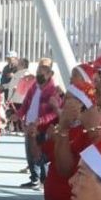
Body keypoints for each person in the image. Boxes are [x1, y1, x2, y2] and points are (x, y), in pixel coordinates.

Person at [43, 65, 98, 200]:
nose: (64, 104)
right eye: (65, 99)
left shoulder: (87, 130)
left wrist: (63, 131)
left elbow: (66, 169)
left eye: (69, 100)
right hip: (53, 196)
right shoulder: (64, 125)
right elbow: (41, 157)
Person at [19, 59, 62, 190]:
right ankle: (34, 179)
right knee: (29, 153)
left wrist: (40, 121)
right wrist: (20, 114)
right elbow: (26, 102)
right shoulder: (33, 86)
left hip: (42, 128)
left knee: (43, 156)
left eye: (42, 73)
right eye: (38, 72)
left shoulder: (54, 91)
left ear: (49, 75)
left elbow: (54, 113)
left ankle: (45, 180)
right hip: (30, 125)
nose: (38, 75)